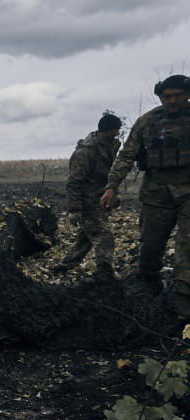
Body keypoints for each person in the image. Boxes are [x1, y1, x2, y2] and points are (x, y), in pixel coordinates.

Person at [101, 75, 190, 315]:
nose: (171, 101)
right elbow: (126, 156)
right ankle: (150, 284)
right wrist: (111, 186)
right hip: (156, 195)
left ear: (187, 94)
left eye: (177, 96)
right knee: (150, 246)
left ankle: (183, 301)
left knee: (187, 248)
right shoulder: (148, 122)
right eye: (166, 97)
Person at [53, 113, 122, 278]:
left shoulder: (107, 145)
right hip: (88, 204)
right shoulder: (85, 153)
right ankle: (105, 275)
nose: (118, 135)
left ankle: (63, 267)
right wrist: (74, 209)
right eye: (115, 131)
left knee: (85, 238)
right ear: (106, 131)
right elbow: (74, 183)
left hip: (99, 201)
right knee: (105, 237)